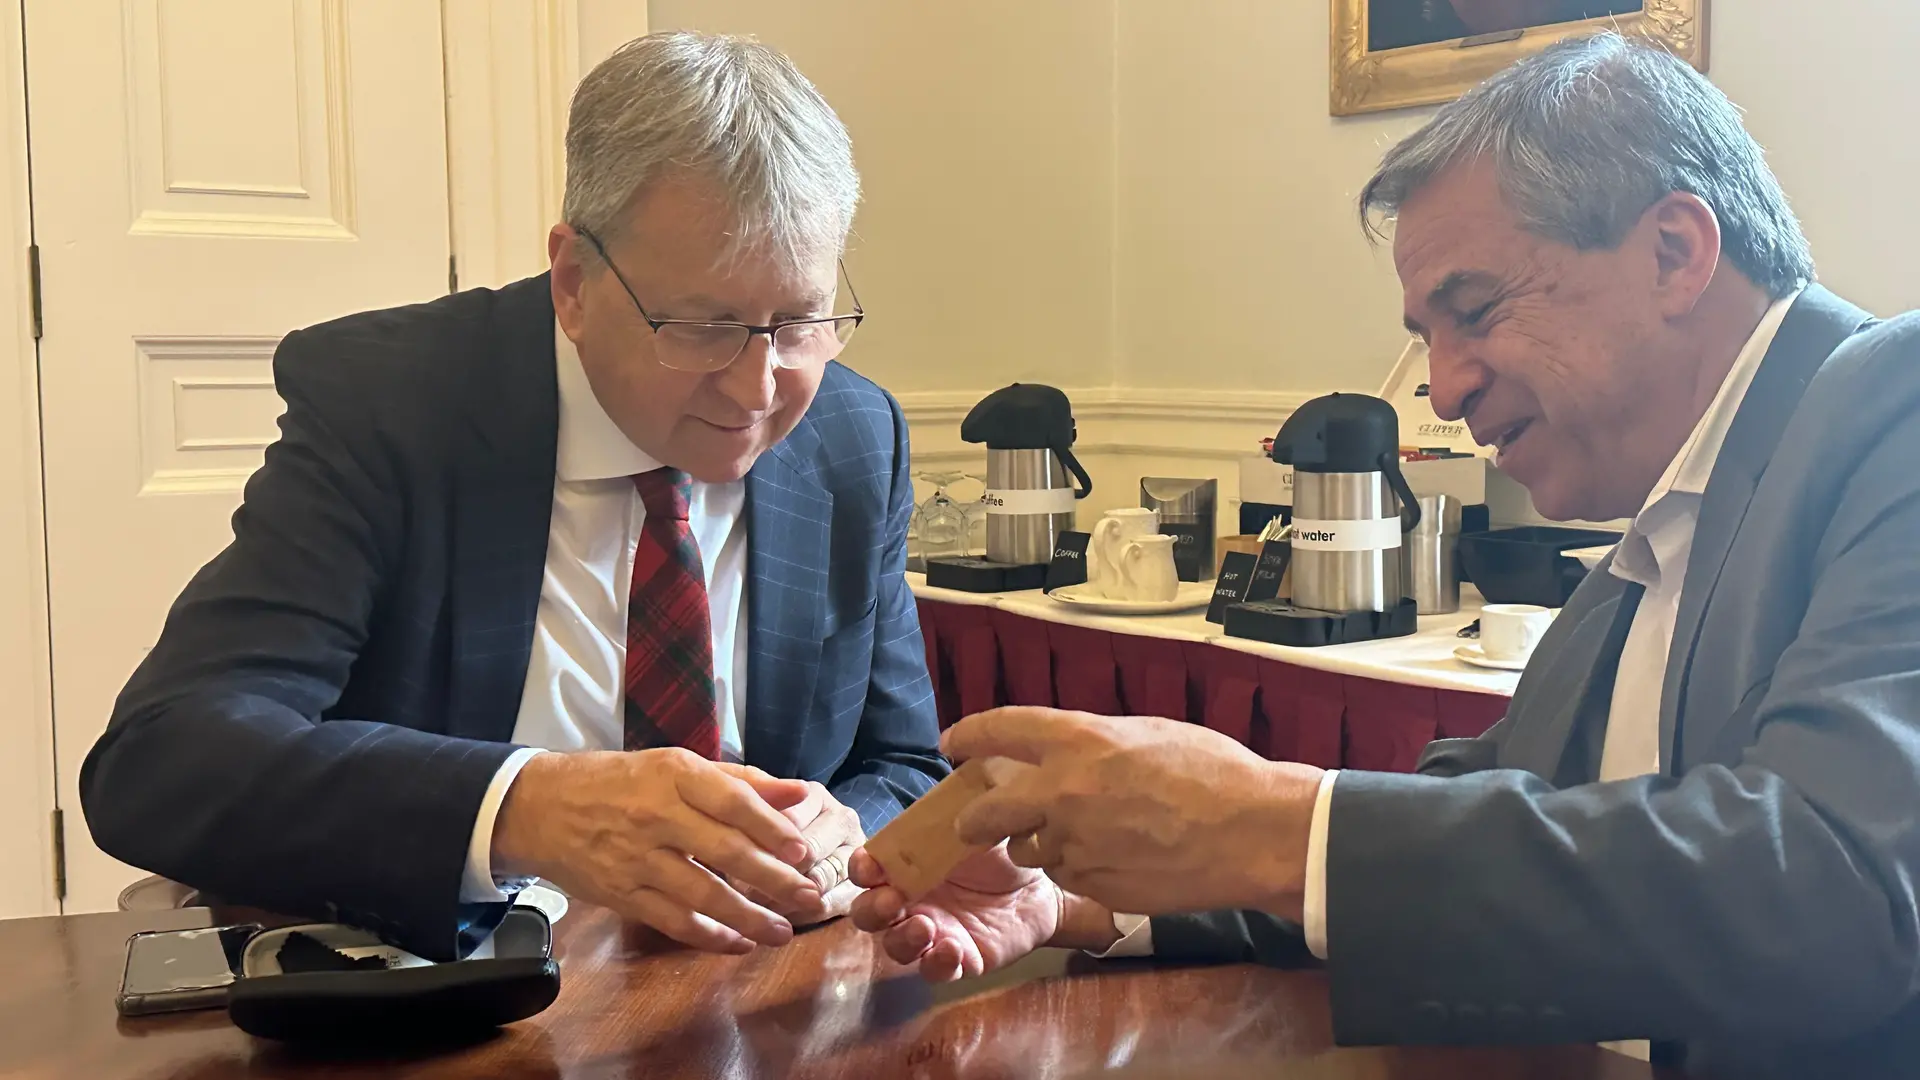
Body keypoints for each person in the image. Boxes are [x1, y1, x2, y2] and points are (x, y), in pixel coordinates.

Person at [852, 33, 1920, 1078]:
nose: (1443, 390)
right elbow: (1490, 813)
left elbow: (1835, 884)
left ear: (1674, 252)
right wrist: (1091, 895)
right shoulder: (1660, 530)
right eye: (1429, 334)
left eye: (1473, 312)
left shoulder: (1894, 403)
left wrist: (1265, 823)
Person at [81, 31, 946, 963]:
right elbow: (161, 760)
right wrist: (524, 806)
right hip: (447, 1008)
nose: (757, 386)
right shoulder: (394, 408)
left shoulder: (853, 437)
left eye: (801, 321)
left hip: (748, 1003)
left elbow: (902, 766)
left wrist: (838, 833)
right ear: (573, 283)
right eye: (701, 327)